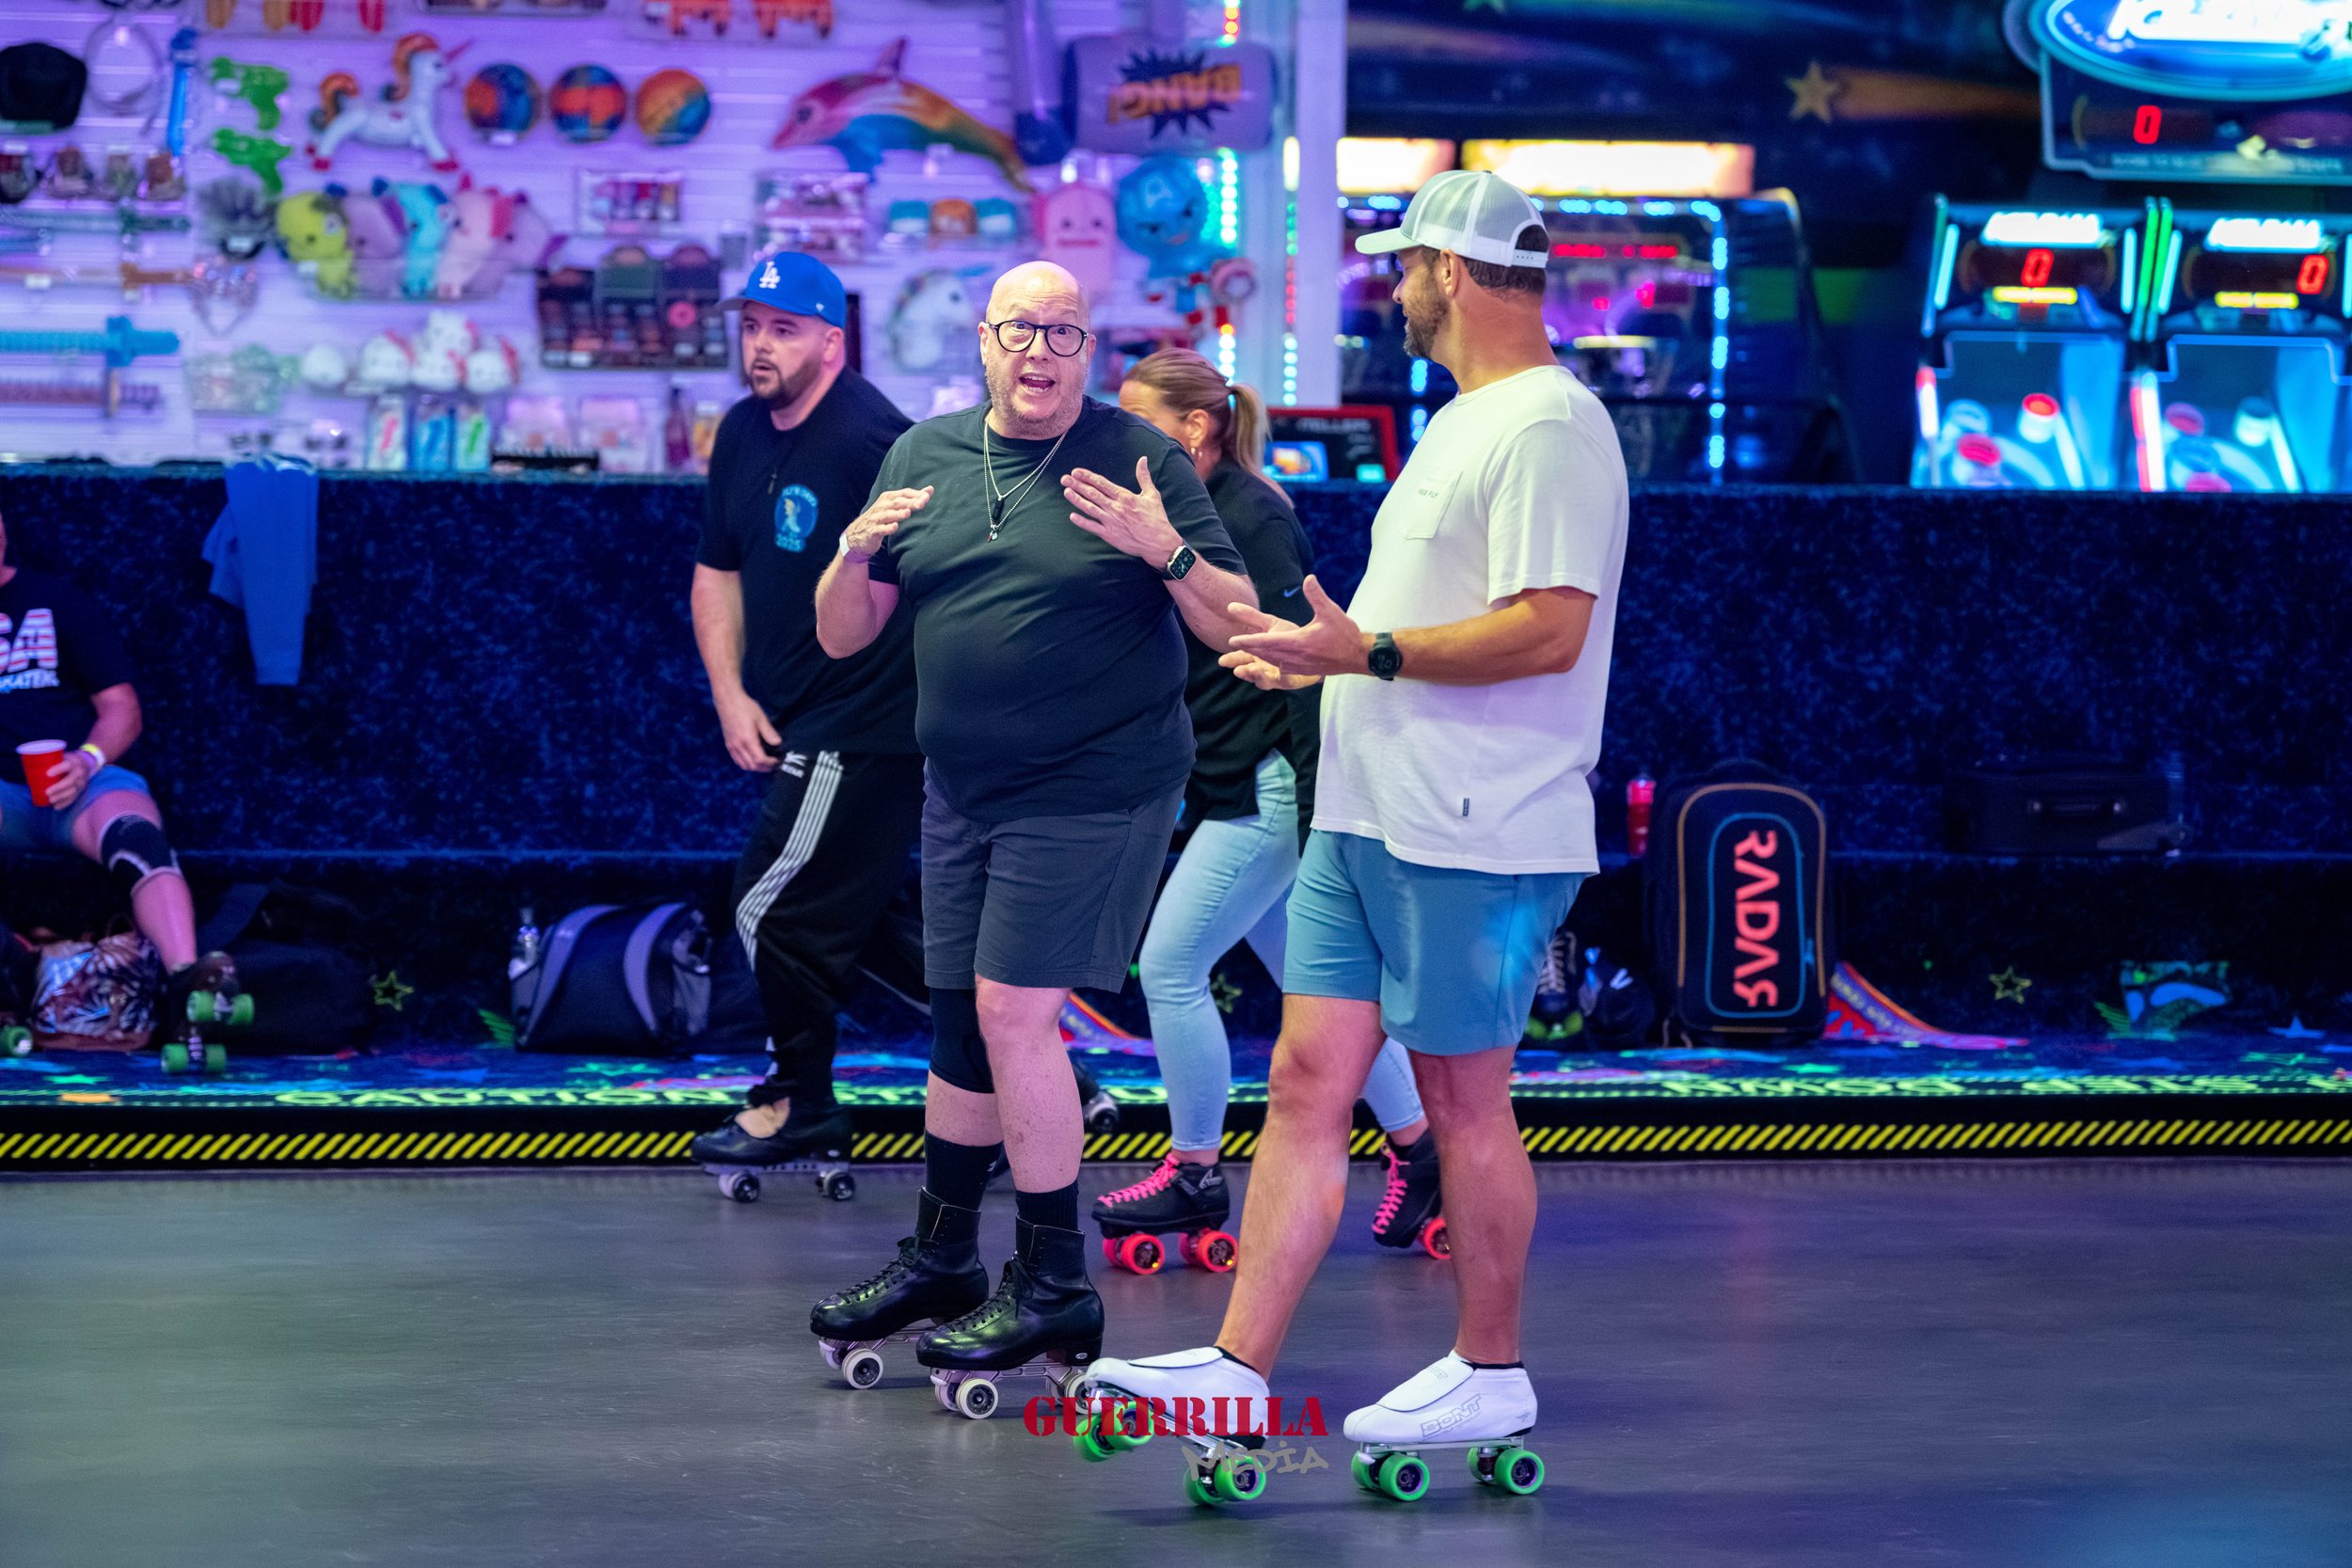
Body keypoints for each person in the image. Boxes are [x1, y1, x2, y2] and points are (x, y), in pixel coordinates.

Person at [1085, 170, 1629, 1469]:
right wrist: (1321, 659)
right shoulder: (1461, 420)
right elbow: (1401, 625)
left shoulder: (1551, 424)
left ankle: (1491, 1371)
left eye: (1406, 265)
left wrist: (1366, 650)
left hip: (1475, 827)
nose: (1393, 286)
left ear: (1457, 268)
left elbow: (1551, 629)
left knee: (1461, 1100)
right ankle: (1233, 1366)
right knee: (1307, 1079)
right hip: (1363, 813)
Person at [805, 261, 1257, 1400]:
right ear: (985, 340)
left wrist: (1168, 551)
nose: (1041, 350)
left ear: (1087, 347)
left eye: (1064, 330)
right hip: (962, 787)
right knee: (960, 1020)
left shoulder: (1139, 457)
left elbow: (1235, 620)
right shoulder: (922, 455)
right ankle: (947, 1258)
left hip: (1098, 783)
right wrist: (851, 552)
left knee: (1013, 1010)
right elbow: (843, 636)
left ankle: (1056, 1276)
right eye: (1022, 329)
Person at [1091, 349, 1440, 1271]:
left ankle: (1196, 1169)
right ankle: (1423, 1152)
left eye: (1141, 421)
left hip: (1268, 787)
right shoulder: (1185, 516)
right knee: (1322, 995)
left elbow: (1300, 666)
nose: (1125, 437)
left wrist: (1314, 807)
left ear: (1194, 429)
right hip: (1238, 781)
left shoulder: (1252, 518)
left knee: (1167, 965)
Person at [685, 253, 924, 1175]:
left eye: (782, 328)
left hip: (862, 717)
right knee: (856, 921)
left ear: (832, 339)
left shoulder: (875, 439)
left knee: (765, 902)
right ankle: (1009, 1064)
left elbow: (924, 583)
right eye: (749, 326)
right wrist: (730, 693)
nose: (759, 346)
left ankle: (801, 1099)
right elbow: (717, 572)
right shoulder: (742, 431)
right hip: (790, 708)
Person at [0, 504, 214, 1034]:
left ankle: (190, 989)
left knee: (139, 838)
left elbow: (122, 708)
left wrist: (86, 760)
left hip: (82, 781)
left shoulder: (57, 601)